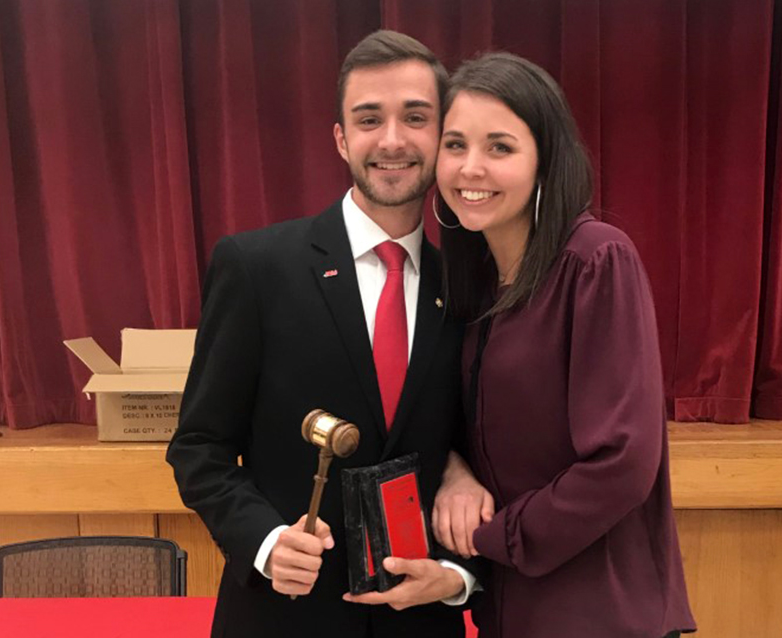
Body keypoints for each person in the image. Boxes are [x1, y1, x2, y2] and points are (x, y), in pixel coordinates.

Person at [166, 31, 483, 638]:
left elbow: (480, 448)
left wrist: (458, 572)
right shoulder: (256, 268)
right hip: (283, 618)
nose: (392, 139)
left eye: (415, 117)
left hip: (419, 622)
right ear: (340, 137)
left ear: (442, 136)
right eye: (369, 119)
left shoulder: (469, 290)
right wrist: (262, 541)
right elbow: (199, 446)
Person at [430, 52, 697, 638]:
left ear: (545, 160)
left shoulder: (596, 259)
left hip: (597, 611)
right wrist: (453, 471)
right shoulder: (470, 280)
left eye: (500, 147)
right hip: (508, 606)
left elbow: (623, 461)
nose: (471, 168)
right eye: (455, 145)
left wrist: (492, 537)